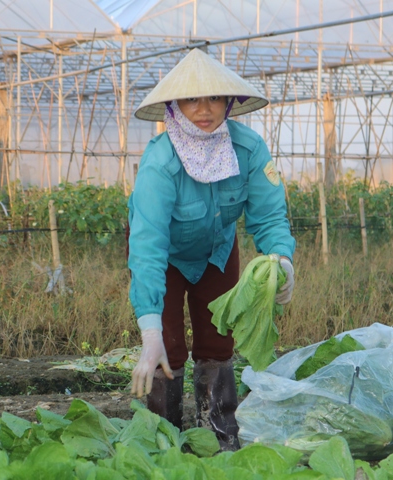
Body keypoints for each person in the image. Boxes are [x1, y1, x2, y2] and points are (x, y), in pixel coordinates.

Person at [127, 47, 296, 450]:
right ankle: (163, 438)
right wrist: (148, 329)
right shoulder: (160, 162)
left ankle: (218, 435)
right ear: (174, 104)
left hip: (218, 252)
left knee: (217, 343)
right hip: (166, 257)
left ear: (230, 102)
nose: (204, 109)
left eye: (215, 98)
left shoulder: (249, 150)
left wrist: (283, 259)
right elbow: (148, 244)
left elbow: (269, 215)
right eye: (191, 99)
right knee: (166, 346)